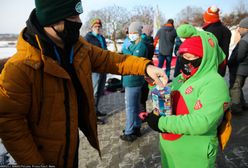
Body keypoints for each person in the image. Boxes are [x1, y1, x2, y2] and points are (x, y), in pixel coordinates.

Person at [0, 0, 167, 167]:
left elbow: (111, 59)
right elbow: (10, 123)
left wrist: (145, 67)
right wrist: (34, 164)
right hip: (44, 157)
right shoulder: (20, 67)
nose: (79, 22)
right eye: (73, 16)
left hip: (71, 150)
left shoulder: (78, 47)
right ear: (52, 18)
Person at [142, 24, 230, 167]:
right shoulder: (182, 78)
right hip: (171, 148)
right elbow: (169, 95)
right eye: (182, 56)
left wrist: (161, 123)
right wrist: (155, 84)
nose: (185, 61)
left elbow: (201, 122)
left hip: (194, 154)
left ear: (205, 58)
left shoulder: (215, 83)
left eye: (191, 57)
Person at [120, 22, 148, 142]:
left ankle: (129, 132)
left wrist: (125, 52)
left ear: (139, 34)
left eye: (134, 33)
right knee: (135, 106)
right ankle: (136, 127)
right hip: (130, 80)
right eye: (130, 33)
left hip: (134, 80)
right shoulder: (132, 44)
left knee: (130, 107)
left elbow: (133, 61)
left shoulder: (140, 45)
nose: (131, 35)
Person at [84, 18, 108, 121]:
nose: (97, 28)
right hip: (94, 70)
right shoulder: (87, 38)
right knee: (93, 92)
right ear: (91, 27)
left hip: (103, 68)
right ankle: (92, 115)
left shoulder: (101, 37)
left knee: (99, 92)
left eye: (99, 27)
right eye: (95, 26)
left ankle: (96, 110)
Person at [203, 5, 232, 77]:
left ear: (208, 18)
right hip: (222, 62)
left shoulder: (209, 32)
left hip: (211, 65)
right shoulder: (226, 30)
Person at [228, 17, 248, 113]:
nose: (238, 29)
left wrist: (230, 62)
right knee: (238, 86)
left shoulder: (244, 40)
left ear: (246, 28)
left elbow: (239, 56)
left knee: (235, 87)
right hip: (244, 68)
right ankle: (243, 104)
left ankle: (236, 107)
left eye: (240, 27)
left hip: (239, 68)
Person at [140, 24, 155, 112]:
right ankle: (142, 111)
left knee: (144, 90)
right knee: (143, 91)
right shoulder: (145, 41)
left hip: (146, 67)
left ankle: (142, 111)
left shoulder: (147, 41)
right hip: (145, 67)